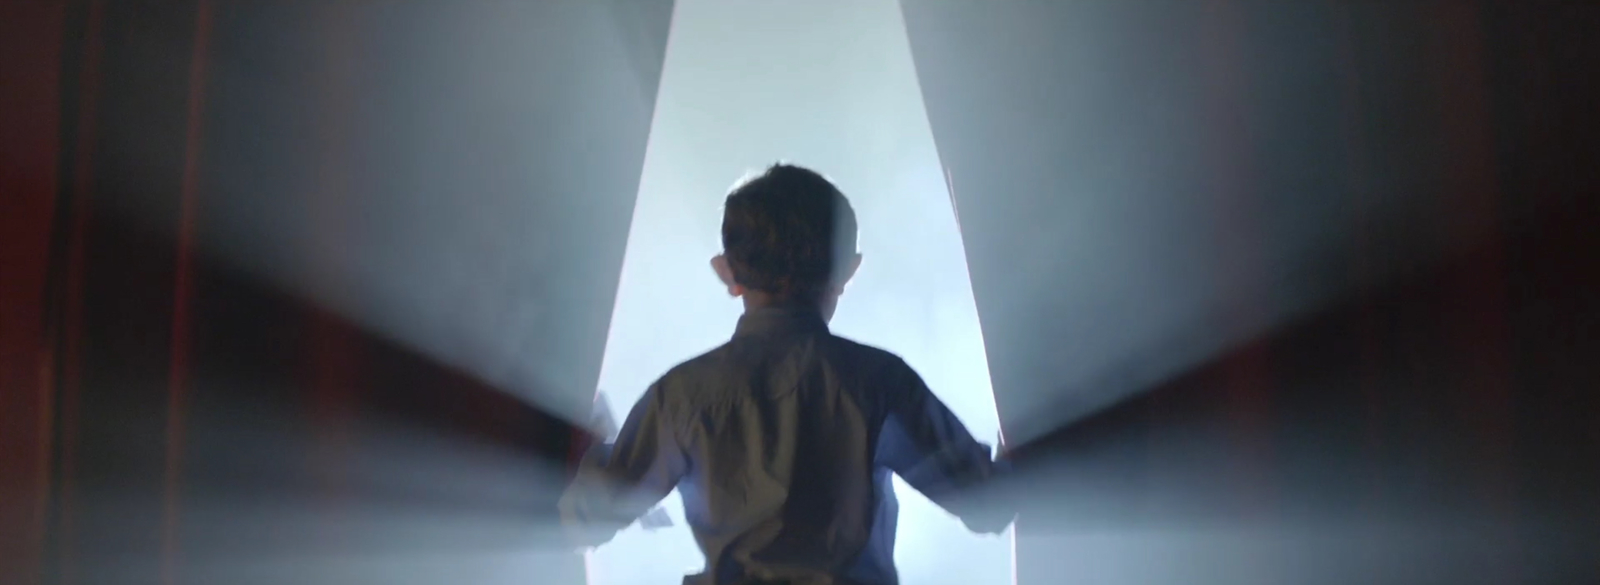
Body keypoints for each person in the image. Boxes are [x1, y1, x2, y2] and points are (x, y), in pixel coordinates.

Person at [559, 164, 1013, 585]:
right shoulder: (881, 382)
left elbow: (587, 518)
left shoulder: (680, 397)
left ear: (727, 272)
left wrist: (585, 451)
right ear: (847, 271)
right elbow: (985, 503)